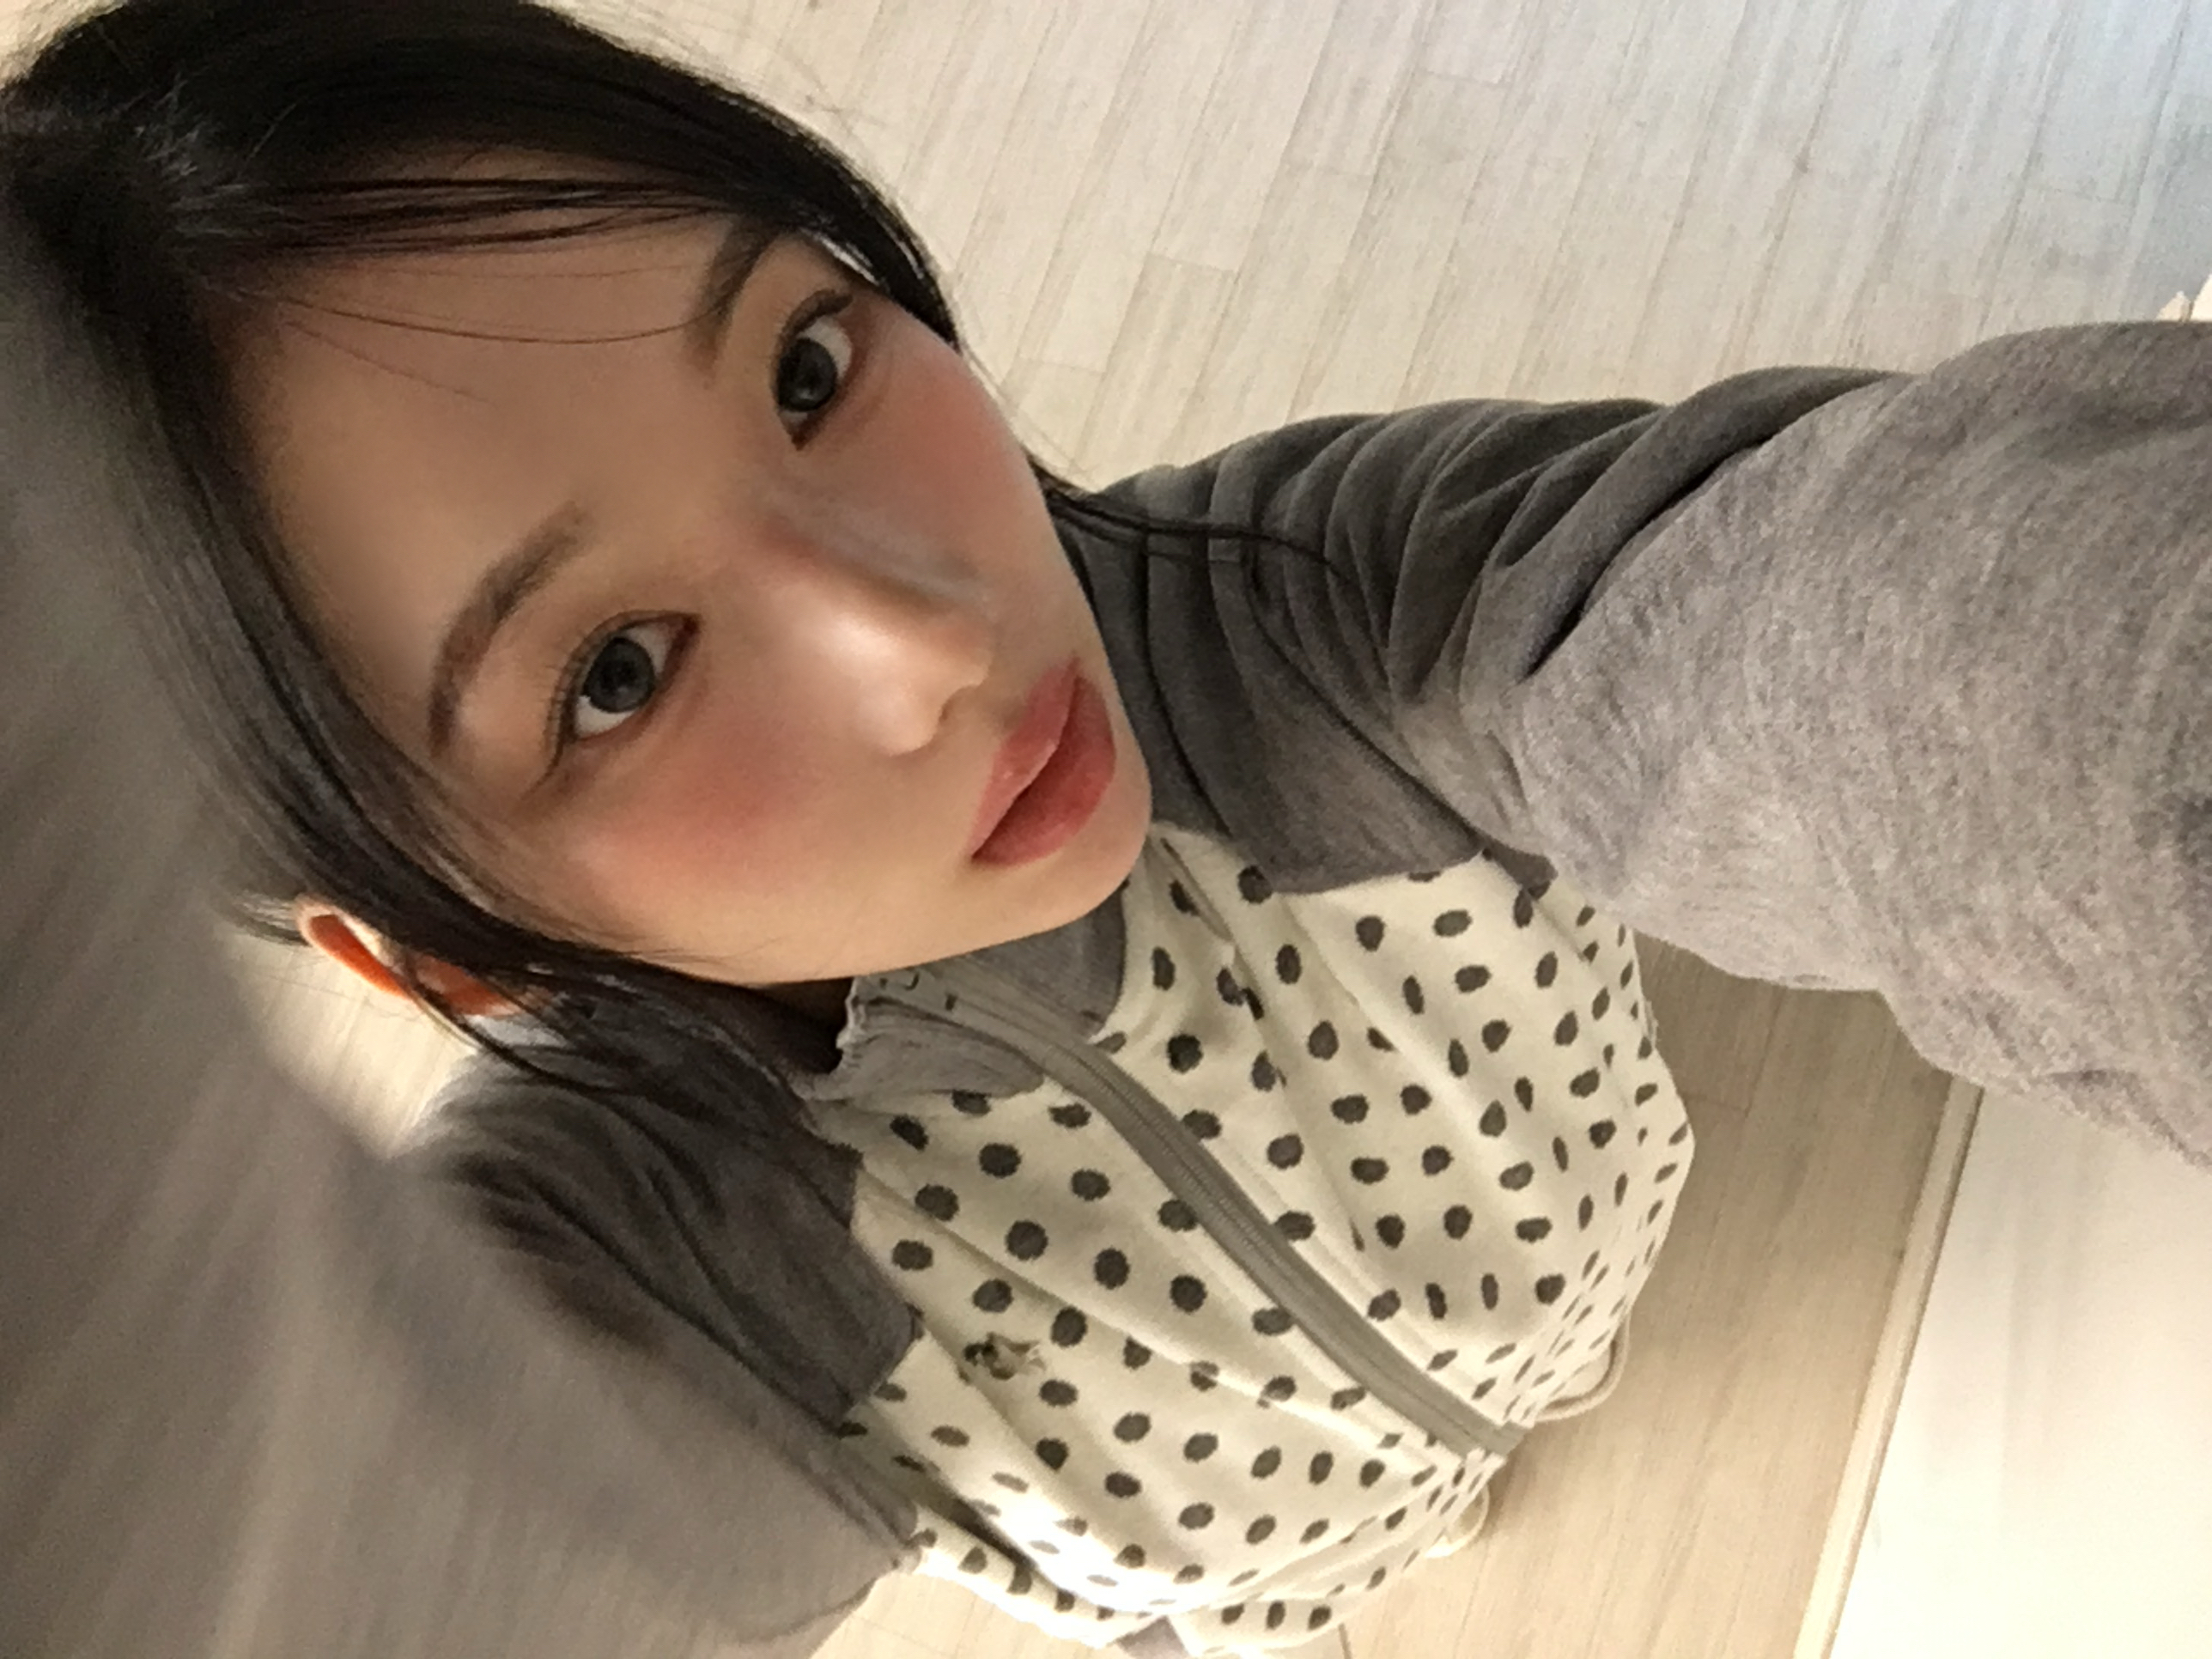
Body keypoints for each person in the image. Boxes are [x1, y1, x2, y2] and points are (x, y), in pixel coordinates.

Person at [3, 1, 2208, 1655]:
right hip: (1245, 1571)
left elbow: (1905, 633)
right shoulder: (665, 1262)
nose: (930, 639)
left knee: (1580, 1352)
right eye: (618, 672)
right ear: (439, 954)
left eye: (804, 370)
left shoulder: (1336, 608)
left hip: (1595, 1215)